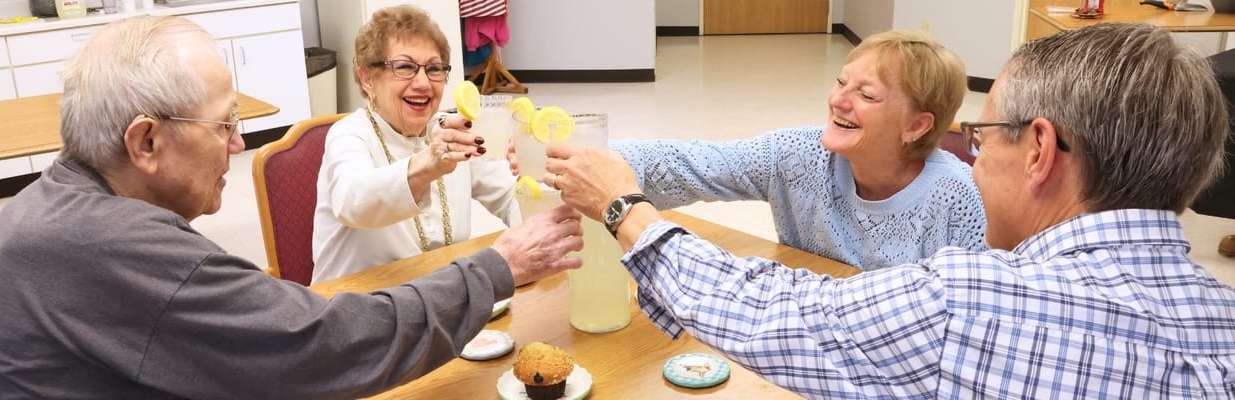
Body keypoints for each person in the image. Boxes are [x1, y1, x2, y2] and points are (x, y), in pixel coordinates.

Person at [548, 22, 1235, 397]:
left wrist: (622, 210)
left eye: (984, 135)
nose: (974, 152)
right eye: (840, 82)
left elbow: (770, 315)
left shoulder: (974, 297)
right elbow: (695, 162)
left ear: (1040, 150)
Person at [0, 15, 584, 399]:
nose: (236, 144)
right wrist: (496, 267)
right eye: (224, 125)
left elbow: (507, 195)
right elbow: (324, 345)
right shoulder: (117, 247)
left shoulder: (52, 200)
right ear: (144, 141)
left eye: (435, 68)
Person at [580, 29, 984, 271]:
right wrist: (583, 154)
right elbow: (691, 165)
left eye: (866, 95)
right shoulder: (797, 154)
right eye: (841, 82)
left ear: (916, 126)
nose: (839, 101)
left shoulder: (960, 199)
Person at [312, 5, 520, 283]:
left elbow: (510, 196)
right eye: (405, 67)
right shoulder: (349, 134)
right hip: (353, 309)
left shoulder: (451, 131)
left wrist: (537, 179)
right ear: (367, 78)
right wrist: (428, 164)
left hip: (438, 304)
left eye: (434, 69)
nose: (423, 83)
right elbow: (353, 202)